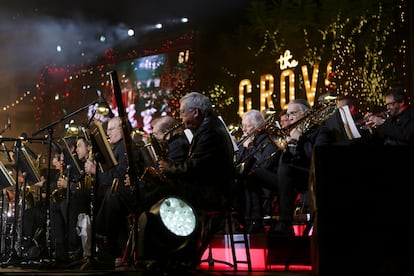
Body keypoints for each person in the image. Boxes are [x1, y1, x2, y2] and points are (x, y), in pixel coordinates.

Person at [140, 92, 235, 270]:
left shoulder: (209, 130)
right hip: (210, 188)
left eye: (183, 112)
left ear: (196, 112)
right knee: (160, 193)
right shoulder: (210, 126)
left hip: (211, 193)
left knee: (157, 196)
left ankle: (165, 254)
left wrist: (168, 169)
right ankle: (172, 254)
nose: (181, 117)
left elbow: (195, 166)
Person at [83, 117, 140, 268]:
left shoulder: (126, 148)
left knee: (112, 196)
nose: (107, 133)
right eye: (107, 129)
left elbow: (118, 178)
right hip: (115, 192)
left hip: (127, 194)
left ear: (122, 129)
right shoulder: (118, 148)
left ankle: (104, 243)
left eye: (111, 129)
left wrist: (96, 171)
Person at [271, 99, 318, 236]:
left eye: (293, 114)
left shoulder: (317, 129)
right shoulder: (292, 132)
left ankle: (285, 222)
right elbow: (285, 161)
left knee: (285, 170)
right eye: (288, 114)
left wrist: (300, 139)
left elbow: (315, 156)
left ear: (306, 113)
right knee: (255, 173)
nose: (289, 118)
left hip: (312, 174)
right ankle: (254, 222)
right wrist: (288, 147)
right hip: (292, 177)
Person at [233, 109, 281, 234]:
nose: (244, 129)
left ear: (259, 127)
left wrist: (251, 148)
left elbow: (264, 165)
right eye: (242, 126)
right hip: (246, 184)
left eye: (248, 126)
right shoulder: (245, 142)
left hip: (265, 184)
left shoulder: (268, 142)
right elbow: (237, 164)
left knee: (250, 175)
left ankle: (255, 220)